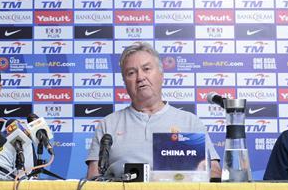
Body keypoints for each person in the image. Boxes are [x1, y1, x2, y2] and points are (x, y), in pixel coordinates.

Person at [86, 42, 220, 179]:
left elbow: (214, 173)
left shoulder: (190, 122)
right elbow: (93, 178)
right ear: (125, 82)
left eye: (146, 69)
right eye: (131, 73)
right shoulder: (108, 124)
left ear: (161, 75)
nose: (140, 77)